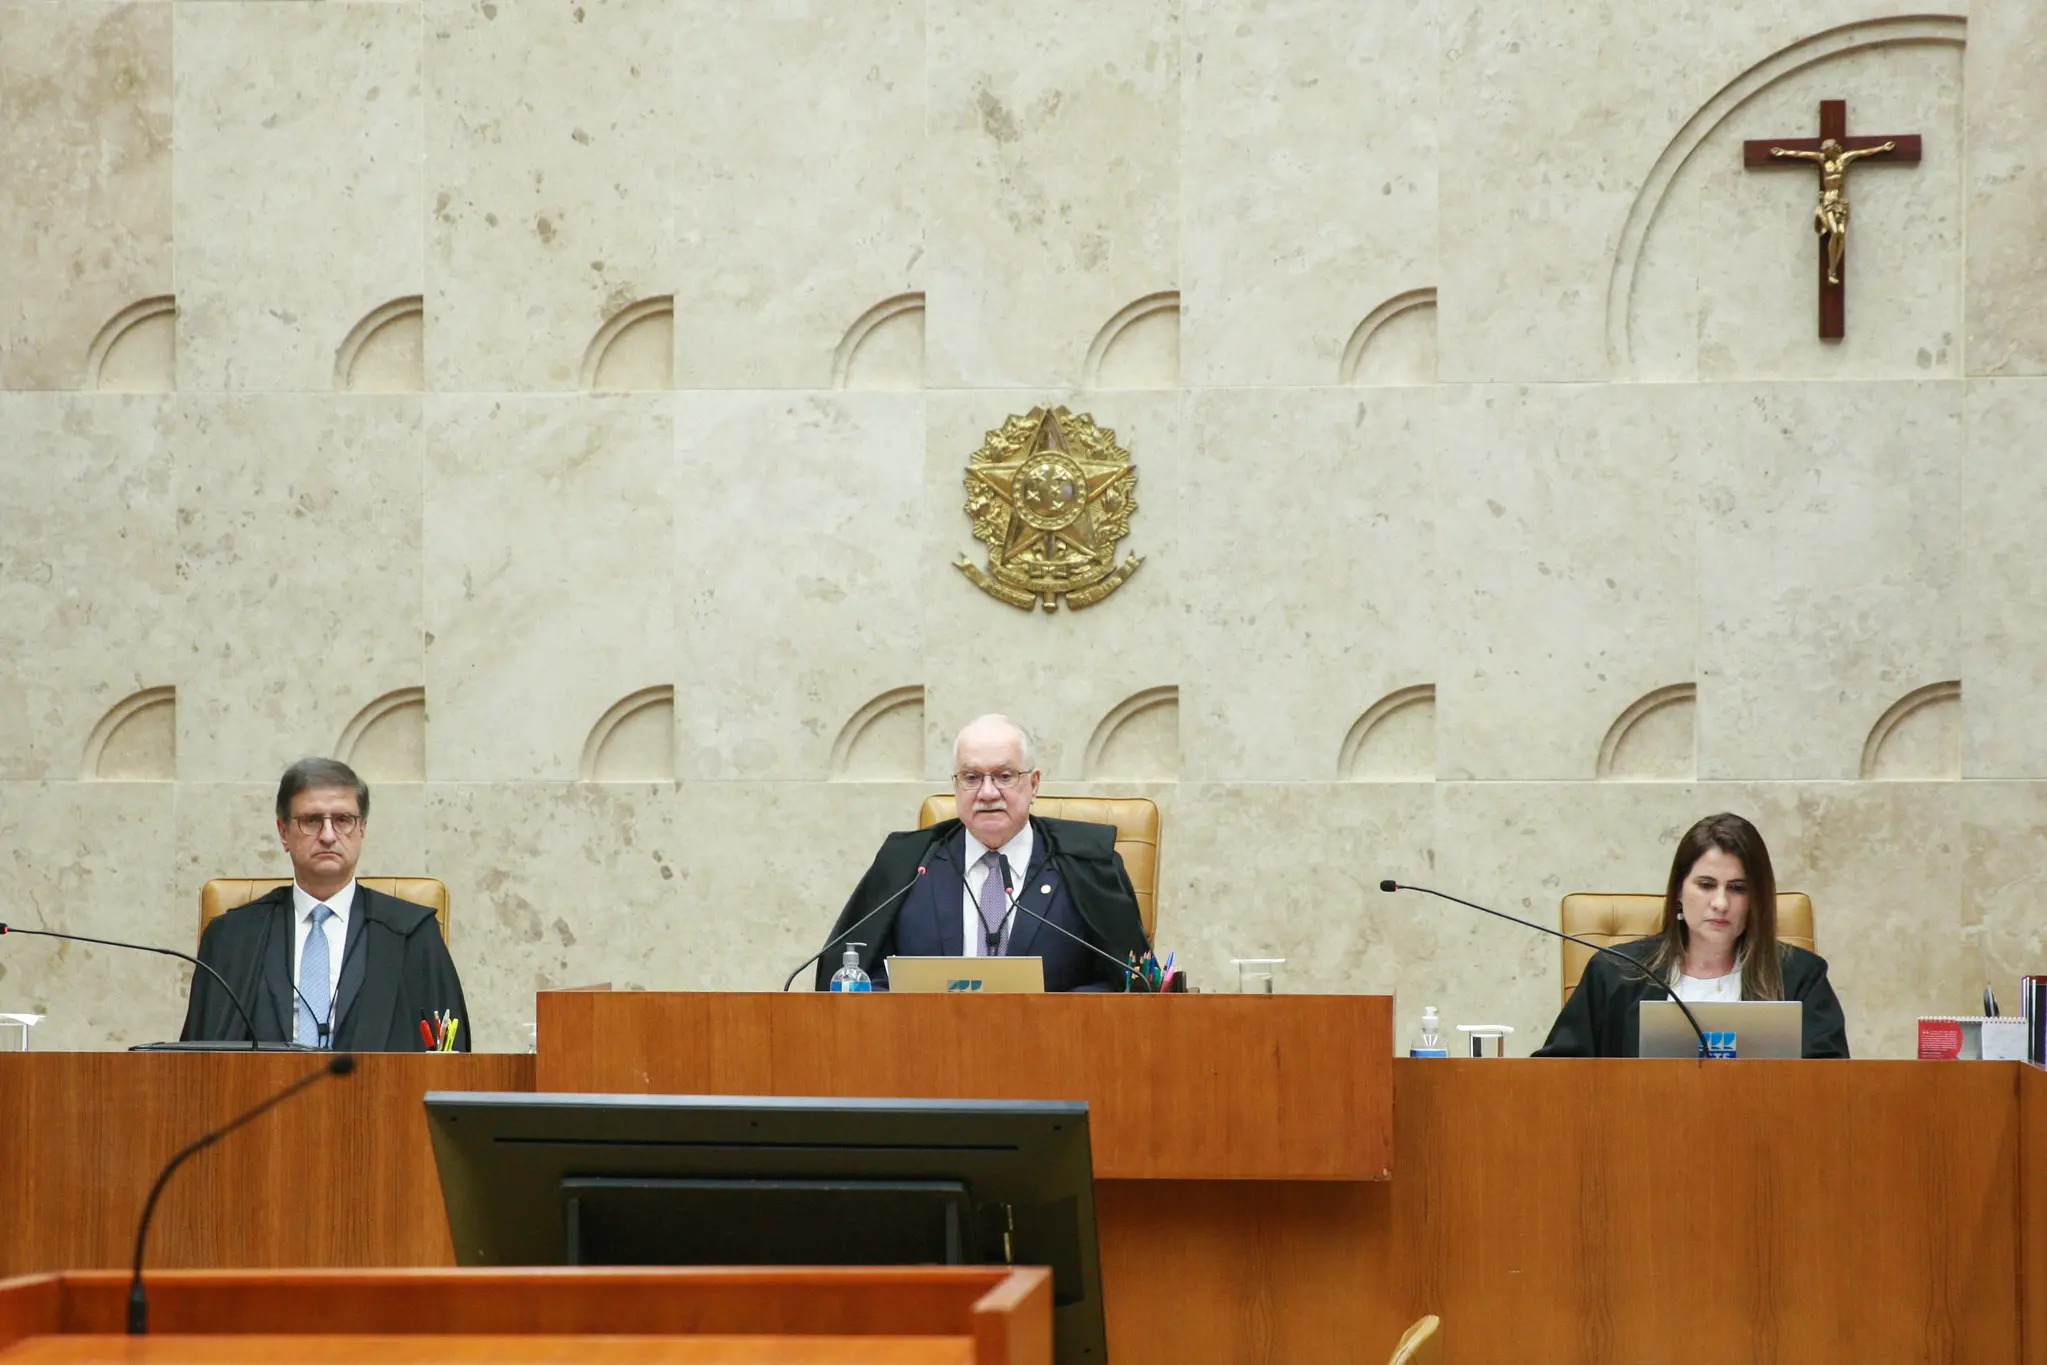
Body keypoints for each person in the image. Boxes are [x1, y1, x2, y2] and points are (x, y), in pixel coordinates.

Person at [815, 715, 1151, 992]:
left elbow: (1129, 984)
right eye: (972, 777)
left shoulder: (1087, 865)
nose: (987, 793)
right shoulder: (907, 865)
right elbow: (855, 977)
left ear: (1034, 784)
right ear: (955, 785)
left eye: (1004, 776)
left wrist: (1054, 1017)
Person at [181, 757, 471, 1050]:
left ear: (362, 830)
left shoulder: (412, 935)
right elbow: (194, 1063)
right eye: (311, 820)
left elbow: (449, 1058)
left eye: (343, 820)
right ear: (283, 833)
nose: (329, 836)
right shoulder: (231, 938)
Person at [1534, 812, 1849, 1058]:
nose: (1721, 903)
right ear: (1679, 891)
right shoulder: (1615, 972)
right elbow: (1558, 1075)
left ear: (1756, 900)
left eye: (1737, 888)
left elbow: (1830, 1087)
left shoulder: (1801, 978)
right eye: (1706, 885)